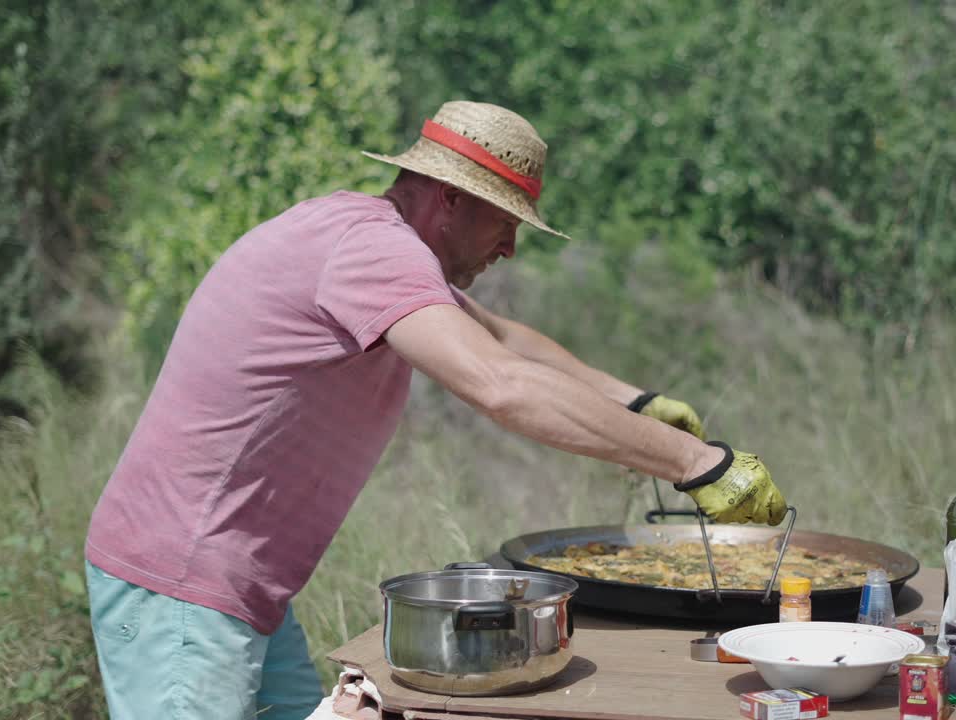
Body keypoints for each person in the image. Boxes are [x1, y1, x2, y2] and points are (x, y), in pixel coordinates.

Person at [84, 100, 787, 719]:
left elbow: (505, 339)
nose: (510, 247)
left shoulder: (369, 238)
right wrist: (697, 465)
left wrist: (639, 404)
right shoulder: (372, 250)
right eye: (504, 222)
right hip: (181, 593)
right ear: (448, 198)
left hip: (234, 590)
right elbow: (499, 384)